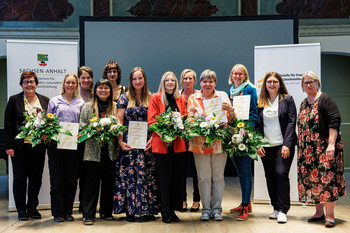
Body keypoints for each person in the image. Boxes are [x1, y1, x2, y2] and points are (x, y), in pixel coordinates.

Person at [297, 71, 345, 228]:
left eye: (311, 82)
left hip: (324, 148)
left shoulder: (325, 98)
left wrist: (331, 144)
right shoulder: (304, 103)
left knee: (327, 180)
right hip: (307, 151)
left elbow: (334, 120)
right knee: (312, 180)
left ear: (317, 83)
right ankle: (319, 213)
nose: (309, 85)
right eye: (306, 83)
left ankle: (330, 216)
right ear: (302, 86)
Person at [187, 69, 234, 221]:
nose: (207, 84)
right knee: (203, 178)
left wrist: (230, 110)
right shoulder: (193, 98)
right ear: (200, 83)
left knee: (218, 178)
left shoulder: (222, 96)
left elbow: (231, 119)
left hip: (219, 144)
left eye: (211, 81)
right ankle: (206, 209)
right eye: (205, 81)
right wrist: (201, 122)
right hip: (200, 144)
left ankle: (217, 209)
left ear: (215, 83)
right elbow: (189, 121)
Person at [113, 67, 158, 222]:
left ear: (144, 79)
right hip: (129, 144)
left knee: (146, 175)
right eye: (134, 79)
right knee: (130, 176)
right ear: (131, 81)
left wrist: (153, 138)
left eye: (140, 78)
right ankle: (130, 211)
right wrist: (120, 141)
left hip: (146, 143)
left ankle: (147, 210)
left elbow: (154, 121)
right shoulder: (124, 98)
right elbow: (119, 120)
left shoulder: (151, 97)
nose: (137, 81)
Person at [4, 71, 49, 221]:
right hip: (19, 148)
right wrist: (9, 145)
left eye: (32, 81)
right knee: (20, 179)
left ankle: (32, 208)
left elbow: (49, 123)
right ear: (21, 84)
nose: (29, 84)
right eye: (26, 82)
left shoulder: (44, 100)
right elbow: (8, 124)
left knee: (36, 178)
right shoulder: (14, 100)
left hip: (39, 147)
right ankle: (21, 209)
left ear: (36, 83)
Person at [256, 72, 297, 223]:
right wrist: (258, 143)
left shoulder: (287, 99)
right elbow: (256, 125)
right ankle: (275, 207)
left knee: (281, 174)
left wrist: (287, 144)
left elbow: (292, 122)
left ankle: (283, 210)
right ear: (265, 84)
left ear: (280, 84)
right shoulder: (260, 101)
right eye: (269, 82)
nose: (271, 84)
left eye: (275, 81)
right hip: (266, 146)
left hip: (283, 145)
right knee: (270, 176)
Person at [148, 71, 187, 223]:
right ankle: (164, 210)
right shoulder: (156, 98)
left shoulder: (181, 99)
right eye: (167, 80)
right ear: (163, 83)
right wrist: (164, 135)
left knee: (176, 179)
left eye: (173, 80)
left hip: (178, 144)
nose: (170, 82)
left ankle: (173, 210)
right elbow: (151, 122)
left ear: (176, 83)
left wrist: (178, 131)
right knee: (163, 179)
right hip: (162, 144)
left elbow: (185, 119)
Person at [79, 79, 118, 225]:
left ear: (110, 90)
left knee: (108, 183)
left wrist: (112, 129)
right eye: (100, 88)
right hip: (92, 152)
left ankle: (106, 212)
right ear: (95, 90)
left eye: (106, 88)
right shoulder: (88, 107)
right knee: (91, 184)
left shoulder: (115, 106)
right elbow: (82, 126)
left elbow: (119, 125)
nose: (103, 90)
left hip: (110, 151)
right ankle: (88, 214)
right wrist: (95, 129)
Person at [47, 73, 85, 222]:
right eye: (68, 82)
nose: (70, 85)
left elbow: (83, 124)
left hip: (73, 145)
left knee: (71, 180)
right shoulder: (54, 101)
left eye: (73, 83)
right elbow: (48, 123)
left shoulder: (80, 103)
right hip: (56, 145)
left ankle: (68, 212)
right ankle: (57, 213)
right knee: (56, 180)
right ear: (64, 84)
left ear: (77, 85)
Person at [227, 64, 258, 221]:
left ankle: (245, 206)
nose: (237, 76)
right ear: (231, 75)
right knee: (239, 169)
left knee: (245, 170)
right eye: (235, 73)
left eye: (240, 73)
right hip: (231, 136)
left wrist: (246, 130)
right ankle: (246, 202)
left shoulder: (250, 90)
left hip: (245, 135)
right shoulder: (229, 92)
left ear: (245, 75)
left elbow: (254, 114)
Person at [179, 69, 201, 212]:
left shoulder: (199, 95)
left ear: (195, 80)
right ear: (182, 80)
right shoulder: (177, 95)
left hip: (195, 138)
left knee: (196, 170)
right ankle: (182, 199)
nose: (187, 81)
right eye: (185, 78)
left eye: (190, 78)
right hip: (180, 138)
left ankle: (197, 199)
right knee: (181, 170)